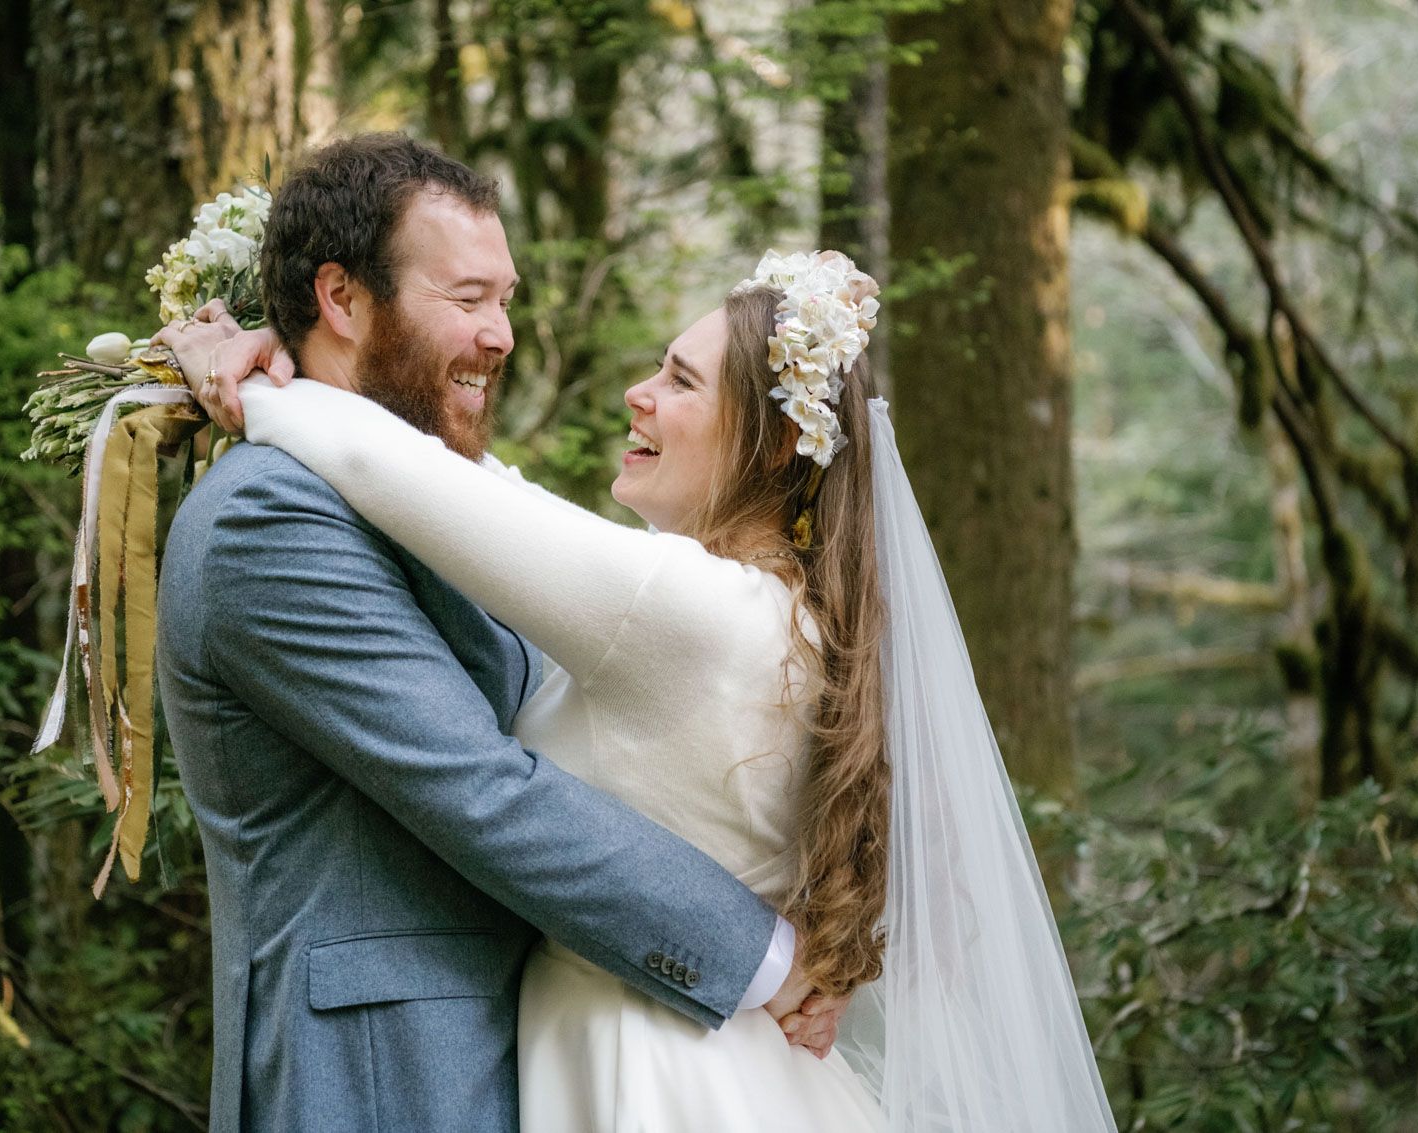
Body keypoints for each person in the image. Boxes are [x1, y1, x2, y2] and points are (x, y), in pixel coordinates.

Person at [176, 244, 1120, 1127]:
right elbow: (494, 494)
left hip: (646, 1066)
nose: (641, 392)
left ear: (777, 443)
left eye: (679, 380)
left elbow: (408, 478)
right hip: (735, 1060)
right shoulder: (792, 622)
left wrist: (256, 376)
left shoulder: (687, 612)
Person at [152, 133, 840, 1133]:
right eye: (468, 299)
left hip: (533, 1054)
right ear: (340, 298)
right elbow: (477, 787)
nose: (503, 333)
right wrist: (764, 959)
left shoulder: (427, 504)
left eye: (506, 299)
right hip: (377, 1074)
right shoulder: (270, 515)